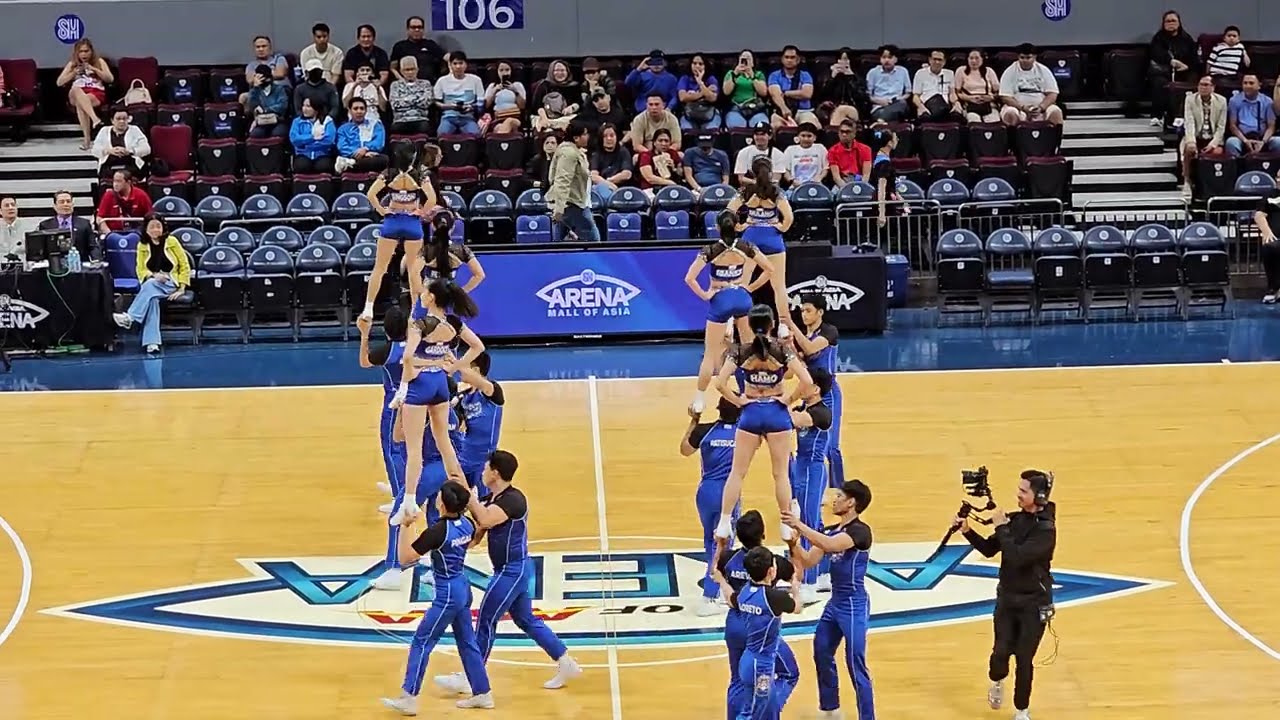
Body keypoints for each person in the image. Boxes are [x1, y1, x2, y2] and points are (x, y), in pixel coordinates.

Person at [433, 450, 583, 696]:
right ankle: (566, 662)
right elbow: (477, 532)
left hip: (511, 571)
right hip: (514, 569)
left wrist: (469, 497)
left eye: (485, 468)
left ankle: (471, 677)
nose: (482, 472)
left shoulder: (513, 500)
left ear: (495, 473)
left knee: (485, 621)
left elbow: (487, 519)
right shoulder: (493, 498)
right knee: (525, 619)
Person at [389, 226, 484, 528]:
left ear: (430, 298)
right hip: (441, 385)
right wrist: (452, 367)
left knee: (413, 447)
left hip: (419, 385)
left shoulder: (420, 323)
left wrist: (416, 366)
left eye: (426, 292)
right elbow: (478, 348)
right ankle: (470, 498)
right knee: (444, 444)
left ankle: (408, 504)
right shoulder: (454, 323)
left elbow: (406, 357)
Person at [381, 483, 494, 713]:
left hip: (447, 593)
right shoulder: (467, 523)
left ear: (442, 503)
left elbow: (404, 558)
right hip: (463, 586)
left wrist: (405, 525)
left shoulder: (438, 531)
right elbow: (473, 541)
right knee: (467, 642)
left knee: (422, 641)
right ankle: (483, 692)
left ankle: (409, 697)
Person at [710, 305, 814, 549]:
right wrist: (788, 400)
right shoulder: (782, 350)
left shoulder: (741, 351)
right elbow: (807, 381)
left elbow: (720, 383)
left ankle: (725, 521)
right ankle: (787, 524)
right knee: (780, 474)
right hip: (776, 414)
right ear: (771, 325)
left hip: (751, 413)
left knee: (737, 472)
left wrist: (738, 401)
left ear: (749, 324)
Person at [958, 470, 1057, 720]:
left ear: (1040, 496)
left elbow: (1017, 556)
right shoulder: (1016, 521)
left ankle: (1022, 710)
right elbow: (991, 549)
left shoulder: (1046, 530)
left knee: (1024, 659)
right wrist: (967, 530)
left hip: (1034, 603)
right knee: (1000, 652)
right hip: (1008, 599)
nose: (1018, 494)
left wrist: (1001, 526)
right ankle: (997, 680)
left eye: (1024, 491)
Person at [784, 479, 876, 720]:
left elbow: (830, 545)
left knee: (855, 664)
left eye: (839, 496)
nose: (834, 500)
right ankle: (830, 709)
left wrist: (799, 525)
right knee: (821, 650)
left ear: (852, 502)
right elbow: (808, 561)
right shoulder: (832, 529)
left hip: (854, 604)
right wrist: (793, 543)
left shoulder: (859, 531)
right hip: (836, 603)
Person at [711, 511, 802, 719]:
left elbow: (715, 572)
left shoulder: (730, 557)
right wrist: (792, 545)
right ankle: (767, 713)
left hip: (735, 623)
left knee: (737, 680)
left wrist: (720, 546)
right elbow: (798, 574)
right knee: (788, 673)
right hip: (760, 629)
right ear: (763, 533)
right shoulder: (773, 562)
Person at [684, 210, 775, 414]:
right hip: (742, 298)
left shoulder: (711, 250)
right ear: (737, 226)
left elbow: (689, 278)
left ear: (717, 228)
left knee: (710, 353)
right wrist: (749, 288)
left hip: (720, 298)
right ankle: (751, 391)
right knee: (749, 348)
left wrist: (706, 295)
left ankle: (699, 399)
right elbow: (770, 269)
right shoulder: (746, 246)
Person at [679, 397, 743, 617]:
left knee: (710, 541)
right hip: (728, 494)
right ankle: (709, 597)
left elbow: (685, 450)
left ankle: (714, 586)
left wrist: (695, 419)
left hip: (705, 492)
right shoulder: (744, 434)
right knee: (723, 546)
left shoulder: (706, 430)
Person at [726, 545, 804, 720]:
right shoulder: (774, 598)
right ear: (771, 571)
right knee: (752, 714)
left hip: (749, 660)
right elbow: (797, 608)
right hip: (760, 667)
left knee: (756, 709)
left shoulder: (743, 593)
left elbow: (731, 599)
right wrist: (795, 588)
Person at [362, 142, 436, 322]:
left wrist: (381, 210)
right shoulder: (421, 174)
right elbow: (432, 198)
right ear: (413, 156)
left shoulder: (389, 174)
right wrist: (422, 211)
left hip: (392, 221)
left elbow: (371, 194)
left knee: (380, 268)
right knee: (413, 270)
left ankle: (368, 308)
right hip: (411, 222)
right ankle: (415, 312)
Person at [782, 295, 844, 490]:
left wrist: (790, 324)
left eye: (808, 310)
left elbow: (810, 349)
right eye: (801, 311)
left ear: (820, 312)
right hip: (807, 393)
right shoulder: (800, 338)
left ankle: (839, 489)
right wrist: (788, 347)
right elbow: (790, 374)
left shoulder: (829, 331)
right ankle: (802, 486)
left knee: (831, 446)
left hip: (828, 392)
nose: (804, 315)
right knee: (801, 442)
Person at [785, 366, 833, 604]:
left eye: (804, 382)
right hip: (802, 468)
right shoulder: (805, 407)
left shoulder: (822, 413)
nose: (799, 385)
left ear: (815, 388)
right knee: (814, 520)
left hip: (813, 470)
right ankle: (824, 573)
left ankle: (809, 583)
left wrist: (781, 402)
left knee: (807, 523)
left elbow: (788, 420)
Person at [111, 214, 190, 354]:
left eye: (158, 226)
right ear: (146, 229)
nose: (155, 230)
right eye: (152, 227)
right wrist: (154, 275)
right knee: (152, 300)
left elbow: (184, 265)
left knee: (151, 286)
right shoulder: (142, 244)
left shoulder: (172, 241)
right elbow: (140, 269)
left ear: (163, 228)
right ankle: (152, 343)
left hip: (171, 281)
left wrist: (182, 288)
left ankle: (131, 317)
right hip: (153, 283)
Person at [726, 157, 793, 322]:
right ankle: (784, 325)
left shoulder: (745, 191)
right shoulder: (776, 192)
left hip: (750, 239)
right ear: (770, 172)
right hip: (773, 239)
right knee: (779, 287)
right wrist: (780, 227)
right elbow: (789, 217)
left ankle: (733, 324)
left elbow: (727, 213)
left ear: (752, 173)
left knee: (741, 283)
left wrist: (739, 226)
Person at [456, 352, 504, 498]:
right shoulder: (463, 396)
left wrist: (454, 362)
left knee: (486, 501)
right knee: (454, 496)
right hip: (463, 456)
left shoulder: (492, 391)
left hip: (484, 460)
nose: (459, 372)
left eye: (464, 367)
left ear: (475, 370)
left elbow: (483, 384)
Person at [548, 121, 598, 242]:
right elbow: (562, 180)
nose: (588, 137)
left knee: (558, 242)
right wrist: (559, 209)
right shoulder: (569, 153)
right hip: (571, 204)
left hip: (573, 202)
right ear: (576, 138)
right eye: (585, 134)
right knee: (594, 240)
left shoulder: (575, 151)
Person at [1253, 181, 1280, 303]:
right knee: (1270, 247)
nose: (1279, 180)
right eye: (1278, 177)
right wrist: (1267, 232)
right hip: (1275, 238)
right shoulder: (1269, 195)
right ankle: (1273, 289)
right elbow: (1259, 215)